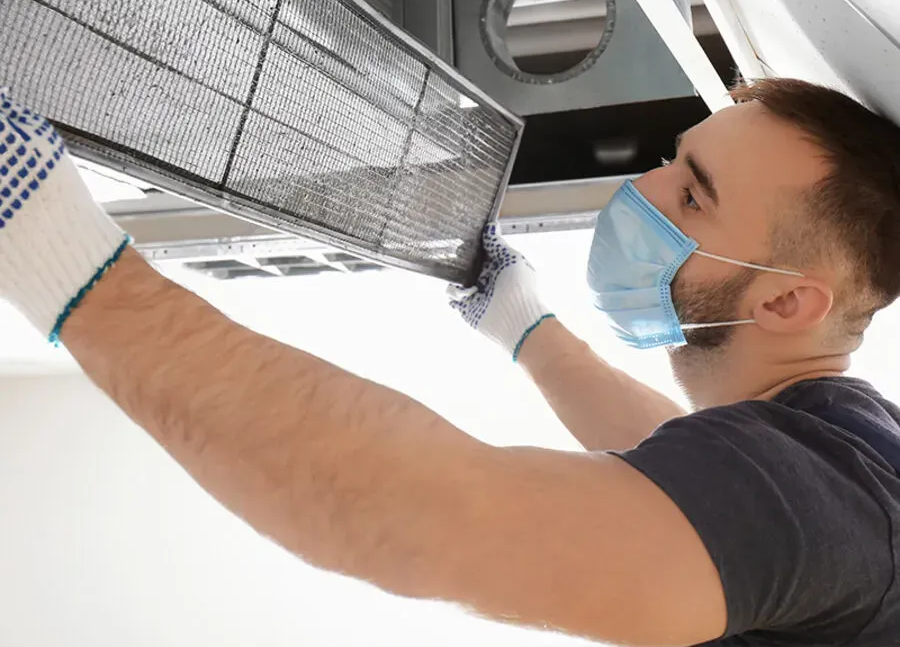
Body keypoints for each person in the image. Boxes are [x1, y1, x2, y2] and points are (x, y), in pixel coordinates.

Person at [3, 78, 900, 646]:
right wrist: (524, 327)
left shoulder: (820, 500)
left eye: (693, 197)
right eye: (675, 161)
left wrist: (69, 265)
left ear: (786, 304)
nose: (644, 189)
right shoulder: (839, 453)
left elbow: (409, 509)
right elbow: (681, 467)